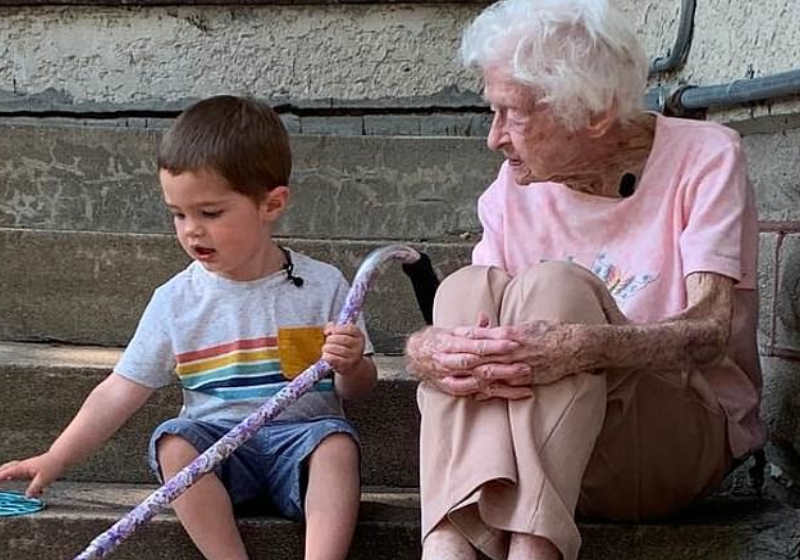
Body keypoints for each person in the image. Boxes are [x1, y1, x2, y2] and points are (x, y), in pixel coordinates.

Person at [404, 1, 765, 559]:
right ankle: (447, 547)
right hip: (537, 456)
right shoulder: (508, 191)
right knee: (464, 292)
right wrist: (427, 350)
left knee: (558, 292)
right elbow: (477, 338)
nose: (494, 138)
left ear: (593, 113)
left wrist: (583, 346)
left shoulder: (704, 156)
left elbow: (710, 330)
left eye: (513, 114)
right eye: (492, 113)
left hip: (666, 441)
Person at [0, 95, 377, 560]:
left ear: (271, 203)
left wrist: (352, 362)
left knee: (336, 445)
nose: (191, 231)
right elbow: (119, 390)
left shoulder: (324, 285)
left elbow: (357, 388)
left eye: (210, 213)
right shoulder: (175, 301)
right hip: (216, 451)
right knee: (174, 442)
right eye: (178, 214)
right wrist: (56, 457)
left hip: (299, 447)